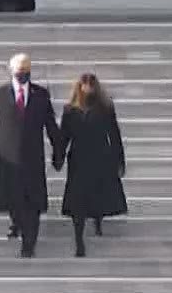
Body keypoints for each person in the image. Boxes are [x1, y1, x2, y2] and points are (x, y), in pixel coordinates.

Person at [0, 53, 62, 260]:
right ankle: (17, 223)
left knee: (32, 205)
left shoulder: (41, 95)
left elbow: (51, 126)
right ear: (11, 72)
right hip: (9, 161)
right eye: (19, 73)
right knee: (13, 203)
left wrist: (58, 152)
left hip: (33, 161)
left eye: (26, 72)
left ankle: (29, 244)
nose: (22, 76)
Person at [53, 74, 126, 258]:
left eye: (91, 86)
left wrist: (119, 160)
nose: (88, 90)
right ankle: (79, 241)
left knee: (97, 196)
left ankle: (98, 222)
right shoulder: (70, 110)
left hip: (100, 159)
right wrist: (58, 157)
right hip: (78, 161)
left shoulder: (105, 108)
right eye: (85, 86)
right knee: (78, 202)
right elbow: (64, 137)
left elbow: (114, 135)